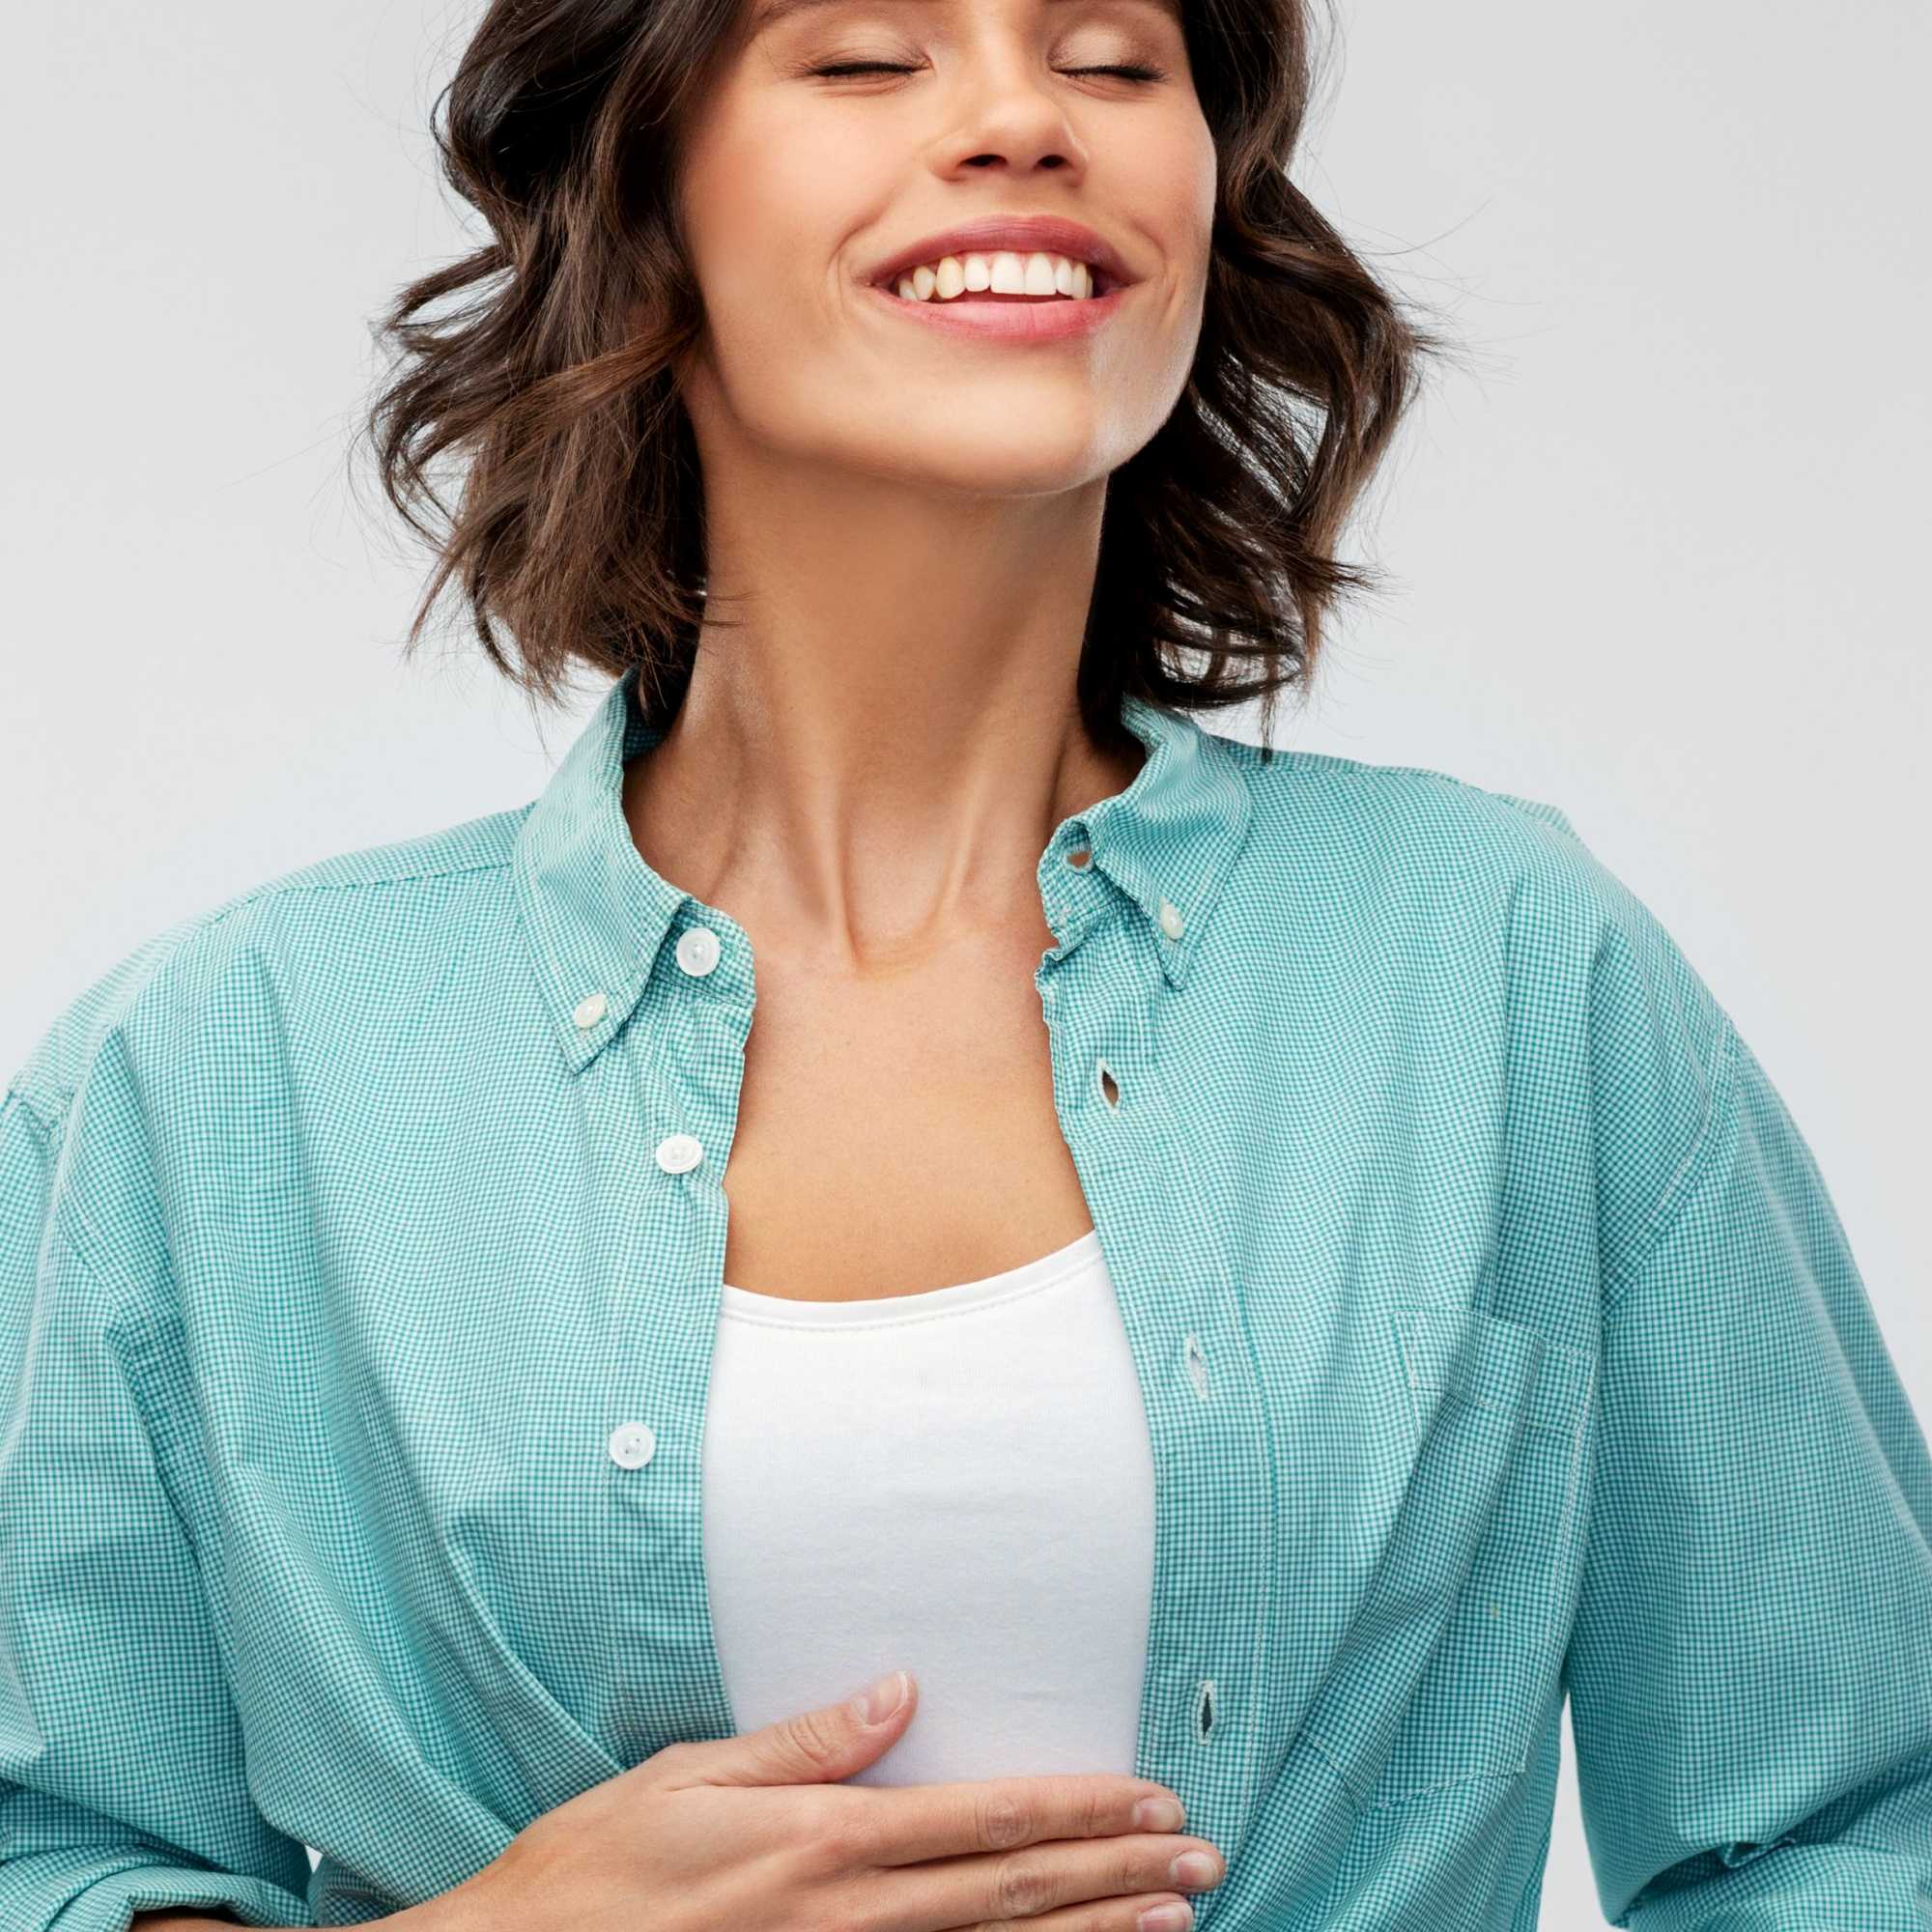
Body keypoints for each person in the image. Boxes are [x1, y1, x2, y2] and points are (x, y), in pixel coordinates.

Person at [7, 0, 1931, 1926]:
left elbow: (1860, 1836)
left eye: (1111, 60)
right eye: (864, 55)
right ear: (644, 198)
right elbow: (46, 1853)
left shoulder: (1498, 965)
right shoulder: (225, 1070)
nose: (1021, 118)